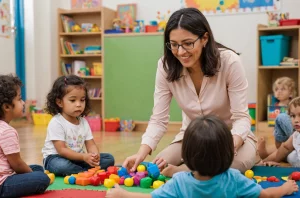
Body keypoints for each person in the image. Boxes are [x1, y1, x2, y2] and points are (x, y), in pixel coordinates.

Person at [122, 7, 258, 177]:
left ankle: (185, 171)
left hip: (231, 138)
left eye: (188, 43)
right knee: (158, 165)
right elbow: (159, 119)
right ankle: (190, 170)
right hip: (192, 138)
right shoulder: (165, 66)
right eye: (174, 45)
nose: (180, 52)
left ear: (204, 38)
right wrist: (141, 154)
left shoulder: (229, 62)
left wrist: (230, 146)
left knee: (232, 166)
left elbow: (241, 118)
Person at [106, 116, 299, 198]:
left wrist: (122, 194)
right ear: (227, 154)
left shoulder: (180, 182)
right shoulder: (233, 178)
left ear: (187, 156)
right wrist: (283, 188)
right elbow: (265, 195)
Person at [0, 75, 50, 198]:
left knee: (37, 168)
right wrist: (31, 176)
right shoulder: (6, 132)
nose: (23, 102)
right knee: (42, 178)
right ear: (7, 107)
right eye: (19, 99)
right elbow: (17, 164)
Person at [42, 75, 115, 176]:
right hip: (56, 158)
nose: (78, 104)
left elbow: (91, 144)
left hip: (78, 159)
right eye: (73, 100)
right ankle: (85, 171)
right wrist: (84, 157)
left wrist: (94, 155)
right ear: (59, 102)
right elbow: (62, 150)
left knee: (109, 158)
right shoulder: (56, 122)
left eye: (82, 100)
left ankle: (81, 170)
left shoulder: (83, 122)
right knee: (62, 166)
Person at [259, 97, 300, 167]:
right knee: (291, 156)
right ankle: (267, 156)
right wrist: (264, 162)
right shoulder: (296, 135)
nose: (296, 120)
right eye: (293, 116)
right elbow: (285, 148)